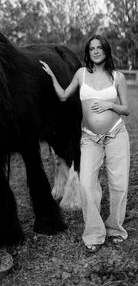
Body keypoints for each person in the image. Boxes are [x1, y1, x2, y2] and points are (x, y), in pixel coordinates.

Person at [40, 34, 130, 253]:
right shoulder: (81, 74)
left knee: (119, 185)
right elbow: (63, 96)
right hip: (90, 137)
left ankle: (116, 229)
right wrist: (52, 76)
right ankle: (94, 233)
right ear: (88, 53)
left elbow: (126, 109)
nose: (96, 51)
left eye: (100, 47)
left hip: (116, 134)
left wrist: (109, 105)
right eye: (92, 48)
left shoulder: (117, 77)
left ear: (106, 51)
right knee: (86, 185)